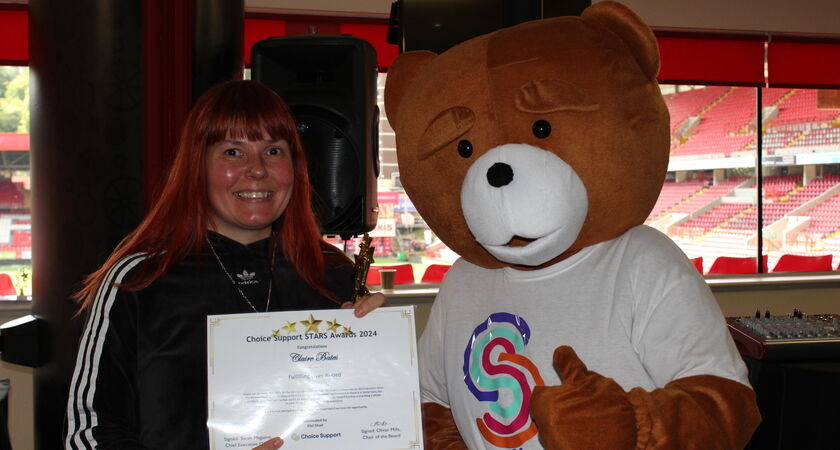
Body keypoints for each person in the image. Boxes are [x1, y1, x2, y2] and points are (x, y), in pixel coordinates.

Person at [64, 80, 385, 450]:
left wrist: (378, 347)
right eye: (233, 152)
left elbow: (365, 421)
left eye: (274, 151)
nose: (257, 170)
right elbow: (89, 434)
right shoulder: (140, 279)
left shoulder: (334, 273)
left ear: (296, 168)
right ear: (197, 167)